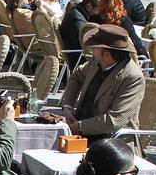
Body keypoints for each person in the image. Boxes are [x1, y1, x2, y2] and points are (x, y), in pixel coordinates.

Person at [55, 24, 145, 153]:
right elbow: (76, 76)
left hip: (112, 143)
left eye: (95, 48)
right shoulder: (96, 62)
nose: (92, 50)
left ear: (107, 55)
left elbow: (115, 120)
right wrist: (68, 107)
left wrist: (79, 126)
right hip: (80, 134)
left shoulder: (132, 77)